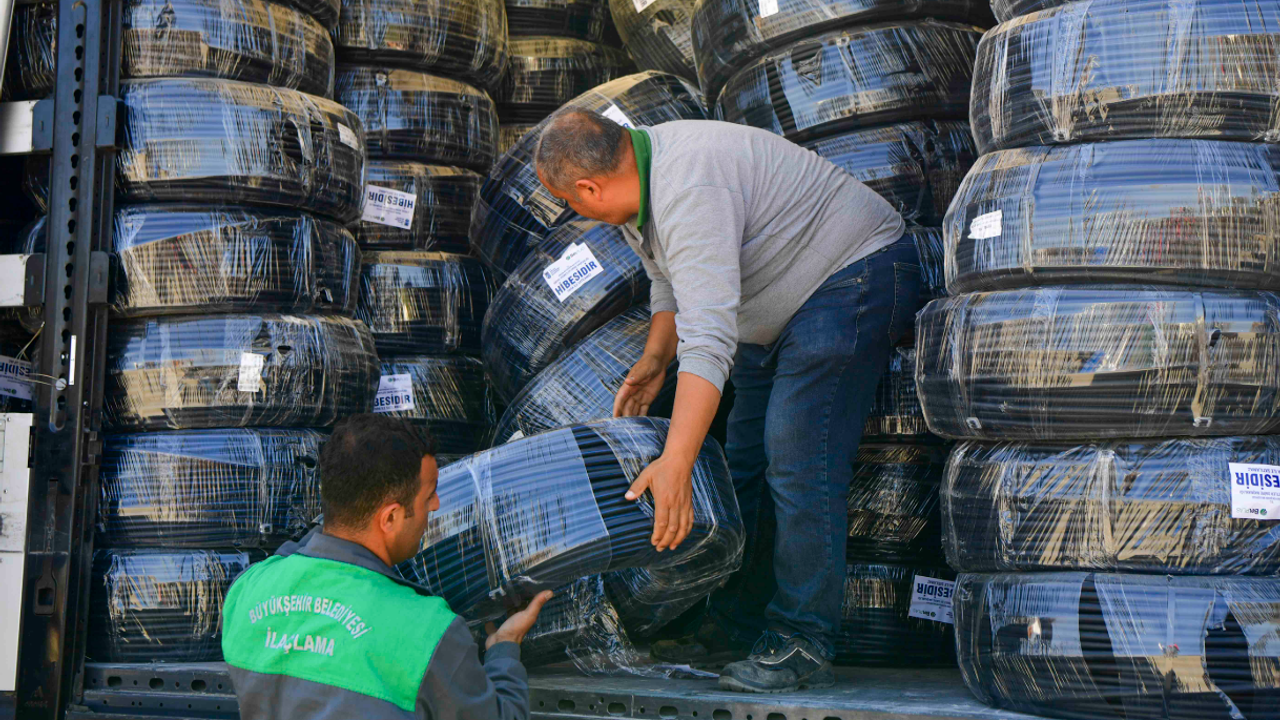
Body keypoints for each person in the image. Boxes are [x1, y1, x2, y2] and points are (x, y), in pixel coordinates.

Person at [534, 110, 920, 693]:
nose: (576, 211)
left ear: (589, 188)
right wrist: (656, 359)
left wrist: (676, 462)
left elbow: (710, 340)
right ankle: (738, 621)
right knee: (743, 459)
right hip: (777, 305)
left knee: (796, 455)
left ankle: (802, 635)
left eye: (570, 202)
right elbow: (669, 280)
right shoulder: (642, 180)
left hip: (852, 272)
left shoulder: (688, 187)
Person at [221, 413, 552, 719]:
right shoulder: (428, 632)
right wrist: (504, 649)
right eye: (429, 495)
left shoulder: (246, 590)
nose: (436, 505)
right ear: (390, 517)